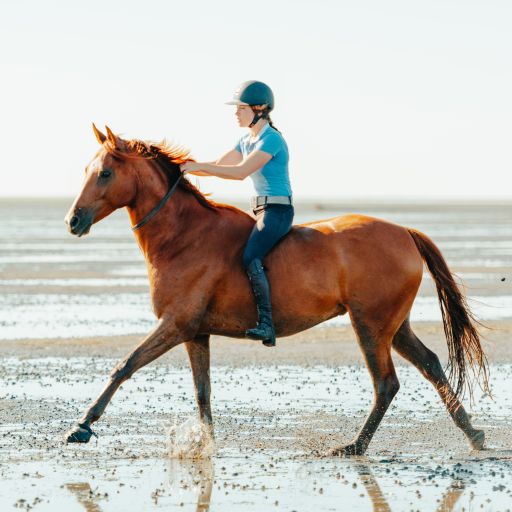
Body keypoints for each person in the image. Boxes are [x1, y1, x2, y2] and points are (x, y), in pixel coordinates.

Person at [180, 80, 294, 347]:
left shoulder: (271, 139)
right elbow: (220, 165)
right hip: (259, 210)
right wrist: (183, 169)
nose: (236, 113)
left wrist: (198, 167)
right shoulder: (246, 139)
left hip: (277, 211)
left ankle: (267, 323)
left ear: (260, 109)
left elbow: (240, 172)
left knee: (251, 255)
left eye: (241, 108)